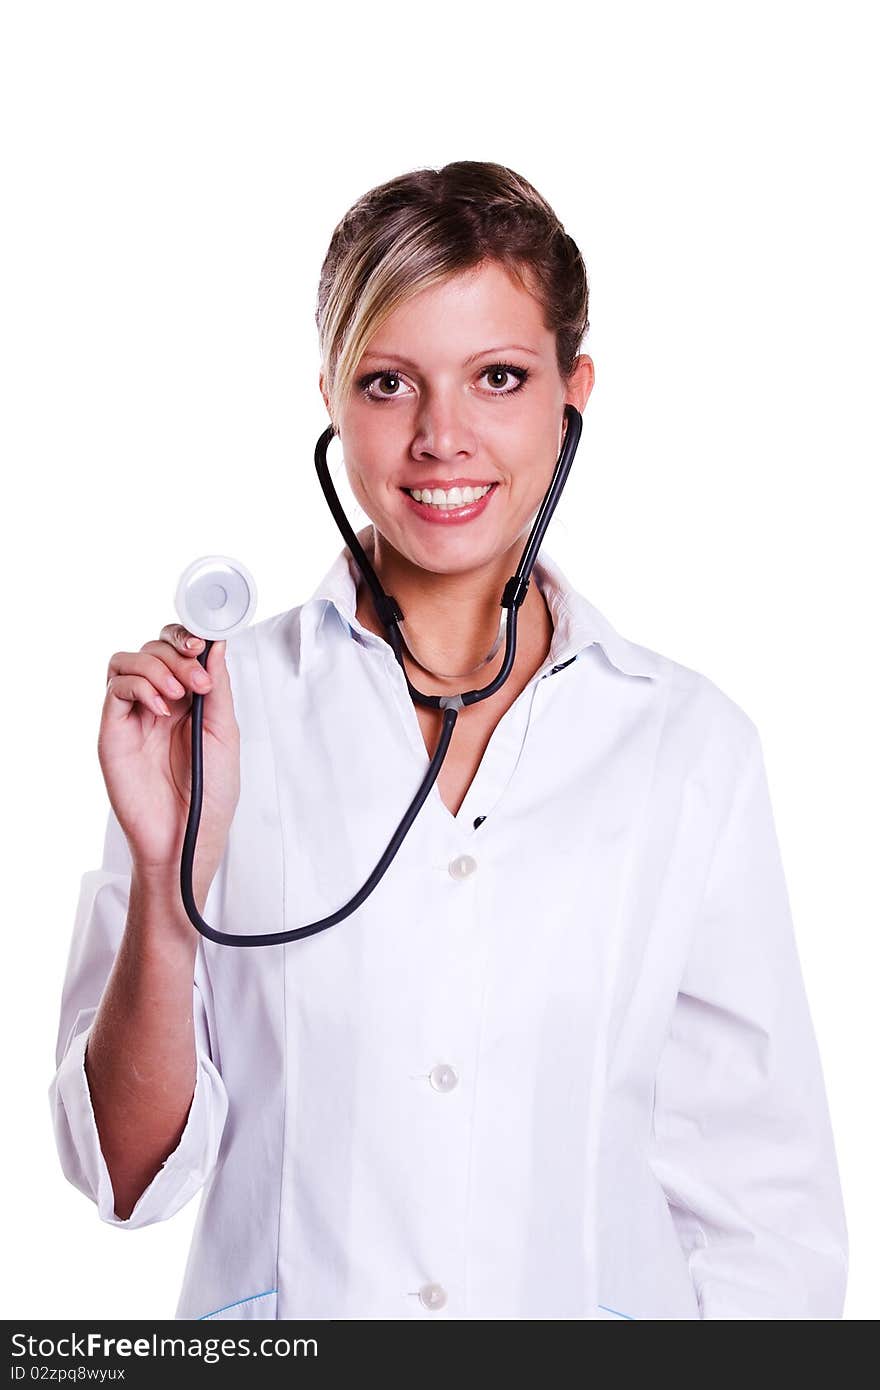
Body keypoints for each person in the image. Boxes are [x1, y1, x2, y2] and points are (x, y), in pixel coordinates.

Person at [49, 160, 849, 1321]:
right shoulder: (217, 717)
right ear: (328, 391)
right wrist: (172, 890)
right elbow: (125, 1177)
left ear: (571, 393)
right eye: (387, 383)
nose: (441, 436)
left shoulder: (687, 745)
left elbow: (764, 1214)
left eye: (499, 377)